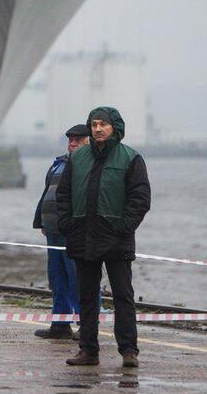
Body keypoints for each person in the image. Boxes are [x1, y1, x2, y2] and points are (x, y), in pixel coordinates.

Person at [56, 107, 151, 368]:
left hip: (117, 239)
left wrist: (123, 227)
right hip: (82, 237)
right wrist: (67, 224)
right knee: (86, 296)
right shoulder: (78, 158)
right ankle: (88, 350)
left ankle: (129, 350)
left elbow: (140, 199)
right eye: (94, 124)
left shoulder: (131, 158)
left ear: (115, 128)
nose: (98, 129)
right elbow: (63, 195)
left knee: (123, 296)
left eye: (103, 125)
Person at [32, 123, 90, 339]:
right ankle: (60, 324)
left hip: (73, 232)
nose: (72, 143)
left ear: (88, 141)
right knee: (56, 277)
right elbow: (47, 194)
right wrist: (41, 221)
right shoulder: (58, 164)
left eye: (77, 140)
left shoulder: (89, 165)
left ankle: (86, 325)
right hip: (53, 231)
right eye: (70, 140)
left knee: (78, 277)